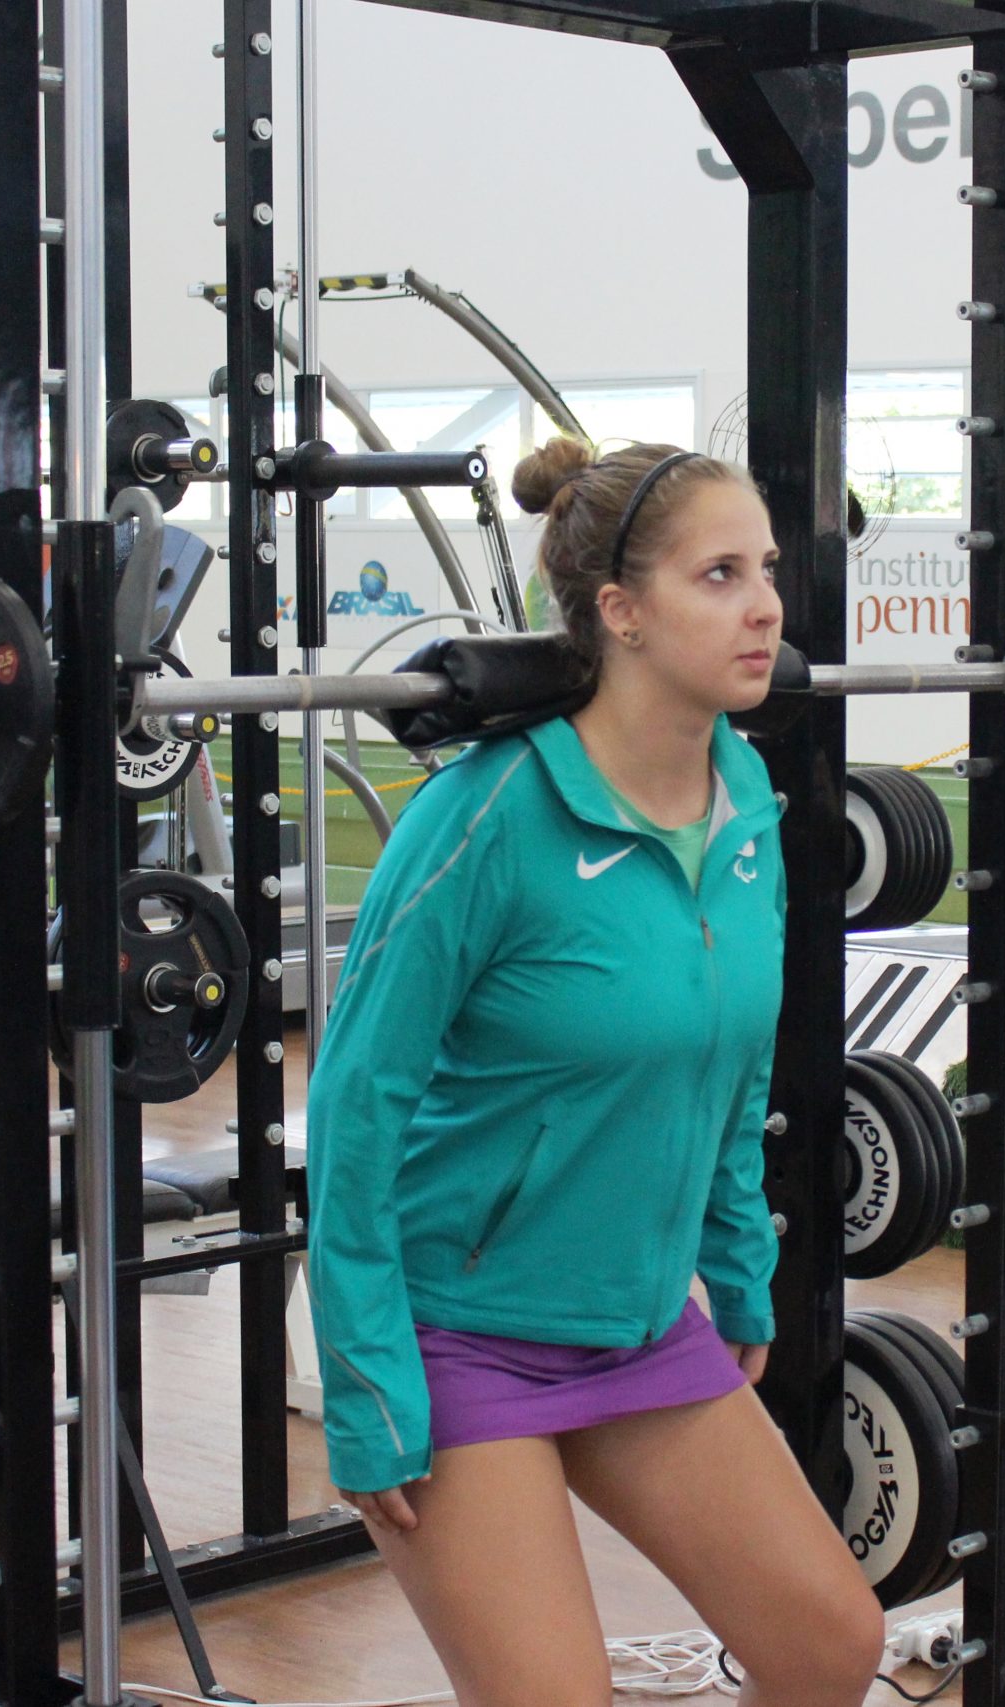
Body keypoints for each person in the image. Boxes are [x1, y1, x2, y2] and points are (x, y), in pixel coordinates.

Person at [306, 437, 884, 1707]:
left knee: (828, 1645)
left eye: (767, 571)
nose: (767, 607)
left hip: (635, 1319)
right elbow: (355, 1105)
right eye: (719, 574)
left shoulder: (743, 798)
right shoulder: (487, 816)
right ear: (619, 612)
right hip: (459, 1337)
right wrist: (364, 1385)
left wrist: (741, 1277)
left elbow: (733, 1070)